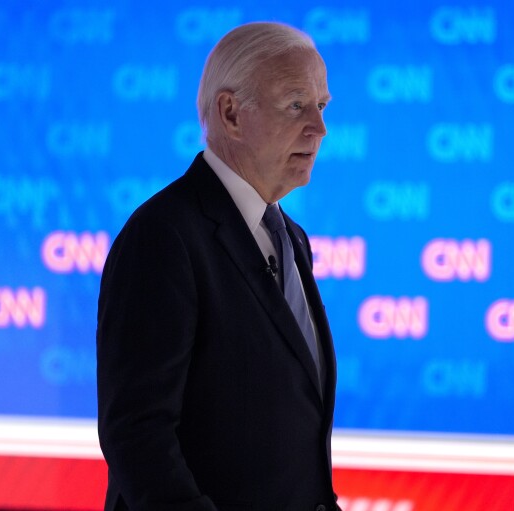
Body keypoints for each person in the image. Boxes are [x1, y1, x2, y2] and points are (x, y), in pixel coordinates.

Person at [96, 22, 339, 511]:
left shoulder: (292, 239)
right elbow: (137, 435)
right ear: (231, 114)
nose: (319, 127)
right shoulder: (163, 236)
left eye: (322, 106)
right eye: (296, 105)